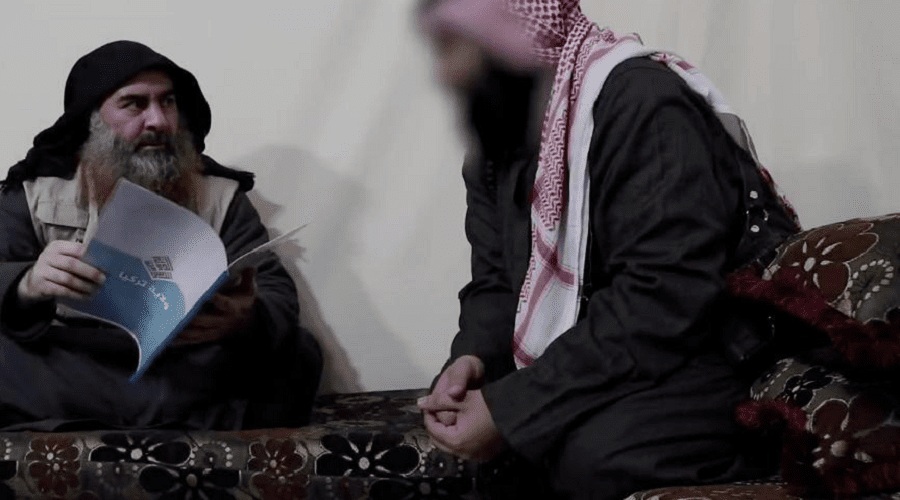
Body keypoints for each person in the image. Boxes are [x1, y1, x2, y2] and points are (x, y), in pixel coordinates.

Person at [417, 0, 802, 498]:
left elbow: (664, 296)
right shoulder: (498, 136)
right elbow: (496, 280)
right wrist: (472, 359)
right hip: (610, 350)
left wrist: (512, 408)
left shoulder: (641, 102)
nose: (444, 73)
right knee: (509, 436)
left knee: (590, 454)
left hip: (709, 349)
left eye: (454, 47)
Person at [0, 41, 322, 431]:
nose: (158, 121)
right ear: (90, 119)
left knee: (299, 353)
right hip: (78, 356)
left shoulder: (220, 196)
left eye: (167, 102)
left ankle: (87, 417)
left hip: (183, 360)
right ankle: (183, 417)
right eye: (134, 104)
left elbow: (276, 295)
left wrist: (244, 318)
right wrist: (26, 285)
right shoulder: (34, 193)